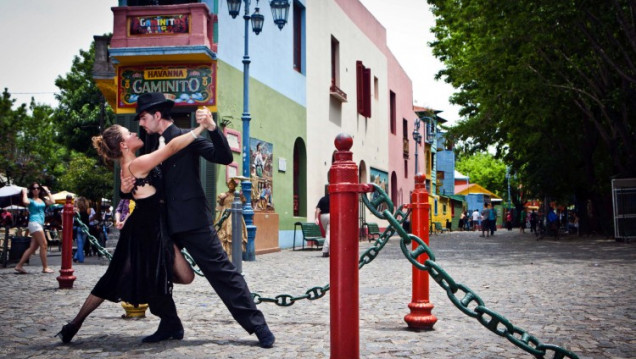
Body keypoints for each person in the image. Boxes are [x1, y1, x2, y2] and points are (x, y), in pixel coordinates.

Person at [123, 92, 275, 347]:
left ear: (157, 116)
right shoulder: (148, 143)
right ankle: (170, 324)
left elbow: (223, 157)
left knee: (222, 272)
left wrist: (214, 129)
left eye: (143, 117)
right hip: (161, 222)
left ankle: (258, 326)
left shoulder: (187, 137)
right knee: (153, 271)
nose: (140, 123)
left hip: (191, 219)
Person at [55, 105, 210, 344]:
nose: (135, 133)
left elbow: (156, 160)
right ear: (124, 145)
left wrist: (126, 193)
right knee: (122, 277)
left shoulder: (134, 163)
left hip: (154, 227)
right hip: (145, 231)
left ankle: (168, 320)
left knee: (171, 276)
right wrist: (200, 128)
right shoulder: (136, 165)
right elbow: (170, 148)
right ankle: (76, 324)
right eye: (129, 134)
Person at [14, 183, 55, 274]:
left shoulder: (42, 200)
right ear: (31, 190)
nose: (36, 190)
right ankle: (45, 267)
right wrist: (24, 192)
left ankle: (19, 266)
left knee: (33, 247)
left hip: (39, 224)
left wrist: (47, 191)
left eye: (38, 188)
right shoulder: (30, 200)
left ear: (40, 190)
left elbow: (52, 201)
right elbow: (25, 202)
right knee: (44, 244)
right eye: (33, 188)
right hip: (34, 222)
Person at [215, 178, 247, 257]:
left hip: (234, 214)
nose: (230, 186)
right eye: (229, 185)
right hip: (225, 214)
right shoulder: (225, 194)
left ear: (235, 186)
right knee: (223, 231)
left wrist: (241, 195)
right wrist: (223, 198)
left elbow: (243, 201)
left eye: (232, 185)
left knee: (234, 231)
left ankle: (234, 252)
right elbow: (221, 203)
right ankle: (224, 251)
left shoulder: (237, 194)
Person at [73, 196, 91, 264]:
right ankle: (79, 259)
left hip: (78, 227)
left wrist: (75, 203)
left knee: (79, 244)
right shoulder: (88, 210)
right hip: (85, 228)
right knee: (82, 244)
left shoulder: (77, 210)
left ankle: (76, 257)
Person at [315, 192, 330, 258]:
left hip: (322, 216)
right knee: (329, 234)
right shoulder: (334, 198)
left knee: (327, 233)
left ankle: (328, 250)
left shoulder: (322, 199)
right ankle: (325, 251)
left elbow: (317, 210)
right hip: (331, 215)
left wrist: (316, 218)